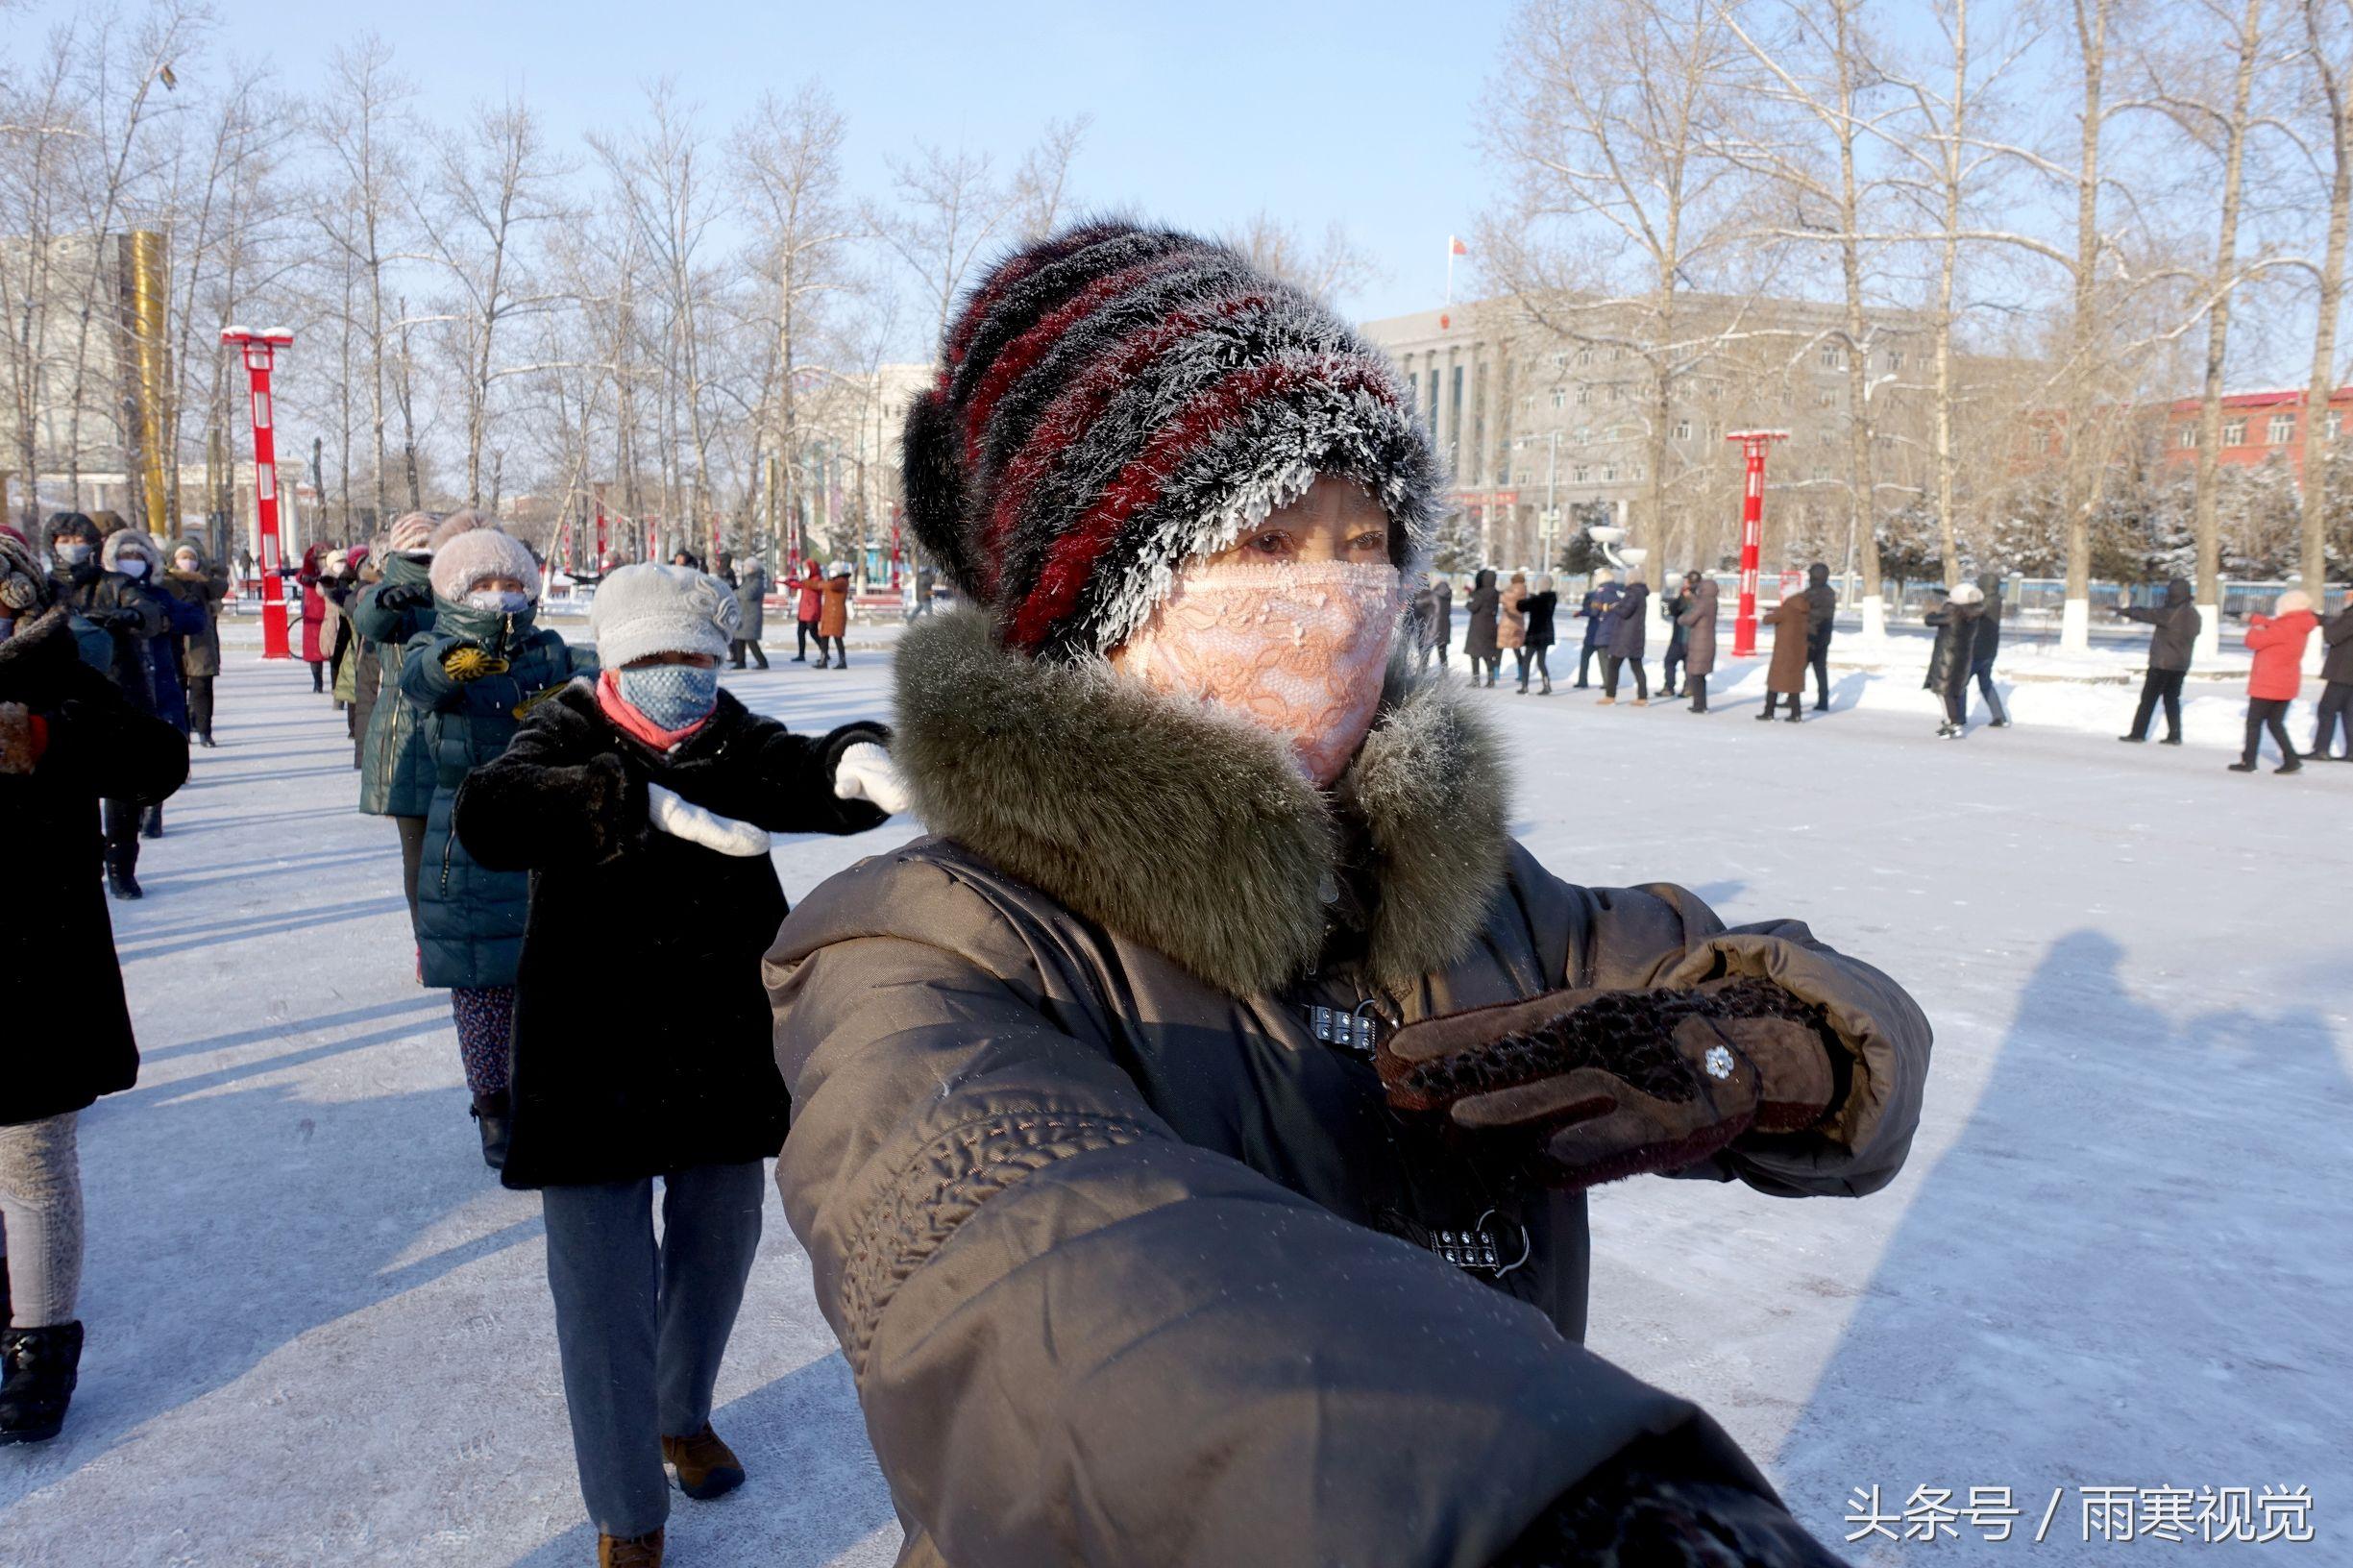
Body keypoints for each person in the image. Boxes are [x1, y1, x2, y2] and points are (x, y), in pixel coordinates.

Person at [768, 223, 1924, 1568]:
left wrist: (1779, 1051)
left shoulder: (1475, 895)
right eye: (1265, 544)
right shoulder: (920, 948)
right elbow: (1027, 1279)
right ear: (1090, 608)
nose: (1335, 599)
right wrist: (1528, 1517)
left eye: (1365, 539)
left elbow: (1782, 988)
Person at [453, 565, 906, 1567]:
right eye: (659, 659)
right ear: (614, 657)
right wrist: (629, 802)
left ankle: (680, 1412)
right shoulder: (568, 728)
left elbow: (787, 768)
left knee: (719, 1249)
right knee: (602, 1295)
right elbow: (491, 809)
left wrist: (852, 764)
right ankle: (626, 1511)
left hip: (715, 1046)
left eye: (699, 658)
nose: (683, 678)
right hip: (590, 1056)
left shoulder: (723, 729)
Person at [0, 535, 188, 1444]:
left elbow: (158, 762)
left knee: (31, 1159)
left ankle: (40, 1344)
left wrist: (48, 740)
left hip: (35, 963)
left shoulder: (56, 672)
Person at [398, 525, 597, 1165]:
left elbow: (589, 678)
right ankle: (492, 1107)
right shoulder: (434, 642)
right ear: (455, 592)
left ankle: (543, 1096)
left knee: (550, 986)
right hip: (469, 835)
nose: (498, 596)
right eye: (482, 585)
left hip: (543, 827)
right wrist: (461, 654)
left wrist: (571, 694)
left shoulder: (545, 646)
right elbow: (422, 678)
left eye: (509, 584)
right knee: (483, 993)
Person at [355, 512, 476, 943]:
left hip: (464, 732)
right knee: (421, 855)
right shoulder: (390, 591)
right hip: (408, 738)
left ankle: (462, 938)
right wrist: (392, 593)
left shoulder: (462, 584)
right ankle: (428, 940)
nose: (427, 558)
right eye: (417, 550)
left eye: (433, 549)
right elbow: (370, 619)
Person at [47, 514, 167, 897]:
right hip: (64, 700)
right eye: (64, 538)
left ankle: (121, 867)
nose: (72, 545)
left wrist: (128, 615)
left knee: (120, 790)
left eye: (79, 538)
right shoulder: (45, 588)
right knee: (69, 793)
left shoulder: (114, 583)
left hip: (119, 694)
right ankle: (84, 863)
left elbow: (148, 611)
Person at [101, 529, 203, 842]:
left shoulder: (159, 594)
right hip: (114, 687)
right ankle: (120, 837)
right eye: (124, 557)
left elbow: (195, 619)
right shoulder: (102, 593)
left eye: (137, 557)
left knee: (154, 753)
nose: (131, 563)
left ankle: (153, 811)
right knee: (117, 763)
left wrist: (165, 621)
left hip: (157, 683)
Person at [2230, 590, 2318, 773]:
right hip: (2287, 682)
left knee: (2254, 722)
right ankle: (2291, 759)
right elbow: (2273, 625)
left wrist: (2254, 628)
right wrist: (2254, 619)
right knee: (2275, 722)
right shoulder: (2299, 623)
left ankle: (2249, 761)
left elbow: (2255, 642)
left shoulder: (2284, 626)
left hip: (2268, 682)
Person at [2116, 577, 2198, 745]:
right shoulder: (2194, 615)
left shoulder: (2168, 613)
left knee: (2148, 700)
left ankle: (2138, 733)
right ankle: (2175, 735)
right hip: (2181, 665)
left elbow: (2145, 614)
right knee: (2172, 699)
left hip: (2161, 664)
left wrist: (2124, 611)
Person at [163, 537, 229, 748]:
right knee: (177, 688)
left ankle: (204, 731)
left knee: (202, 688)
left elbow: (221, 588)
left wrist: (206, 575)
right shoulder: (166, 581)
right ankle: (182, 731)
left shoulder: (205, 582)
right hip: (175, 642)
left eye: (191, 558)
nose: (187, 562)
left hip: (201, 642)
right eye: (183, 558)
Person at [1923, 582, 1984, 739]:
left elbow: (1931, 620)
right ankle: (1951, 720)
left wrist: (1938, 608)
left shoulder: (1954, 612)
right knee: (1953, 691)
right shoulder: (1972, 612)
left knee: (1944, 691)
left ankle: (1952, 723)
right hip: (1962, 657)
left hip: (1948, 657)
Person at [1757, 583, 1810, 723]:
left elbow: (1766, 620)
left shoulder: (1786, 609)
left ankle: (1769, 712)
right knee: (1793, 684)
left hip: (1784, 652)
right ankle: (1796, 713)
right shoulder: (1804, 609)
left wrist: (1772, 612)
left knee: (1774, 682)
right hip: (1799, 652)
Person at [1599, 574, 1651, 705]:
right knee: (1637, 666)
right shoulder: (1641, 593)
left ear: (1631, 580)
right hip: (1635, 636)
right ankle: (1642, 697)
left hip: (1626, 637)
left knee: (1613, 666)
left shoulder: (1633, 593)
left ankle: (1610, 696)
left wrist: (1615, 606)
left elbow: (1625, 612)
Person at [2312, 597, 2353, 760]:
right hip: (2347, 672)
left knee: (2326, 710)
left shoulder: (2351, 613)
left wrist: (2327, 623)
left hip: (2343, 671)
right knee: (2349, 712)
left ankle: (2321, 750)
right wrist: (2321, 618)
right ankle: (2351, 752)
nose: (2346, 596)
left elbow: (2333, 635)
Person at [1969, 571, 2008, 727]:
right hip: (1990, 651)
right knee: (1986, 684)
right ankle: (1999, 716)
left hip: (1977, 651)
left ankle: (1957, 717)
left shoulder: (1986, 602)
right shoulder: (1996, 600)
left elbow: (1971, 614)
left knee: (1961, 685)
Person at [1679, 573, 1720, 713]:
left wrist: (1681, 619)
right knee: (1700, 675)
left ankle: (1699, 705)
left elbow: (1691, 618)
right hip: (1707, 641)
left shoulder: (1703, 602)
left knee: (1696, 674)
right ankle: (1700, 704)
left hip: (1699, 642)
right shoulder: (1712, 601)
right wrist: (1693, 598)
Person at [1575, 568, 1621, 688]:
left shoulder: (1600, 593)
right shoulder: (1615, 593)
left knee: (1585, 656)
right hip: (1608, 630)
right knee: (1604, 659)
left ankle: (1582, 680)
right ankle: (1607, 682)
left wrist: (1581, 612)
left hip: (1596, 631)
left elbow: (1594, 611)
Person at [1515, 572, 1557, 695]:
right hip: (1546, 633)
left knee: (1526, 661)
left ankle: (1524, 686)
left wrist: (1529, 596)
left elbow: (1520, 606)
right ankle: (1547, 685)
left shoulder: (1537, 600)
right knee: (1541, 662)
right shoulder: (1552, 598)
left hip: (1535, 634)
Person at [296, 545, 330, 693]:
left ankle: (319, 683)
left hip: (321, 615)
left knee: (321, 652)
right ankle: (319, 683)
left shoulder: (310, 575)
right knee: (317, 653)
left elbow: (301, 577)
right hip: (318, 615)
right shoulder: (312, 574)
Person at [1803, 562, 1836, 713]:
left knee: (1798, 669)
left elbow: (1803, 611)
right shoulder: (1830, 592)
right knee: (1821, 670)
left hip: (1810, 636)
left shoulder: (1811, 593)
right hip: (1825, 636)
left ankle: (1792, 698)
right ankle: (1823, 701)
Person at [1462, 566, 1501, 687]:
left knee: (1475, 654)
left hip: (1478, 627)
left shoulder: (1480, 593)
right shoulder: (1495, 593)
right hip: (1490, 627)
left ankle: (1476, 680)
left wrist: (1469, 600)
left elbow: (1472, 607)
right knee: (1488, 655)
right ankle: (1491, 680)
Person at [729, 552, 769, 668]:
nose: (745, 569)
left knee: (751, 640)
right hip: (744, 614)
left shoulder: (757, 581)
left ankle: (762, 662)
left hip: (752, 615)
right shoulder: (748, 580)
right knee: (739, 639)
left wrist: (735, 593)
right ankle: (740, 662)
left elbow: (748, 594)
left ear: (752, 568)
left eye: (746, 566)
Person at [1660, 574, 1692, 699]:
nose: (1684, 585)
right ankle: (1672, 686)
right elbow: (1673, 610)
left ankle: (1684, 687)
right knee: (1673, 662)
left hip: (1686, 637)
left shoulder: (1696, 598)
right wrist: (1680, 598)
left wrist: (1685, 599)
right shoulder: (1683, 596)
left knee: (1683, 663)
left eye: (1686, 582)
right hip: (1679, 636)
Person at [1414, 571, 1454, 671]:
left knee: (1425, 652)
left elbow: (1419, 604)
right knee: (1443, 653)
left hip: (1433, 628)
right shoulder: (1448, 596)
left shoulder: (1434, 595)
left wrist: (1414, 595)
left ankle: (1422, 672)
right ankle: (1445, 675)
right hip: (1445, 628)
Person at [815, 561, 851, 669]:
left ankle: (842, 661)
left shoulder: (842, 581)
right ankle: (823, 660)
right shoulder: (833, 581)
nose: (829, 573)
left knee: (837, 638)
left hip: (837, 614)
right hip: (828, 614)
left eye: (832, 570)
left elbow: (832, 586)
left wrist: (822, 583)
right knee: (824, 637)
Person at [786, 562, 823, 662]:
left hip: (812, 611)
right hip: (804, 611)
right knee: (800, 633)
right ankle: (801, 654)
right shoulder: (807, 580)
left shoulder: (817, 579)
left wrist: (803, 581)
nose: (806, 570)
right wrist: (789, 582)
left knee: (813, 633)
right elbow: (799, 585)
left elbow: (814, 586)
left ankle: (824, 651)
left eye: (807, 567)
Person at [1498, 569, 1528, 689]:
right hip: (1519, 622)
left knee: (1500, 647)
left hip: (1507, 621)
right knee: (1517, 648)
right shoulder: (1525, 591)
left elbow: (1503, 600)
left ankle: (1495, 673)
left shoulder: (1509, 591)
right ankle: (1521, 673)